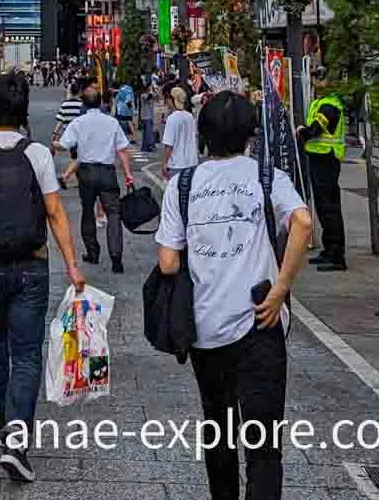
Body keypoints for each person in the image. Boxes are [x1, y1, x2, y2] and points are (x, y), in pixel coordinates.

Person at [156, 92, 313, 500]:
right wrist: (280, 288)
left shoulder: (182, 185)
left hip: (205, 327)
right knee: (264, 445)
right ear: (249, 134)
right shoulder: (267, 177)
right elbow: (302, 222)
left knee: (218, 431)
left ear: (202, 133)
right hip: (261, 322)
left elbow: (169, 263)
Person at [0, 72, 84, 483]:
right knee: (26, 354)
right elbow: (56, 213)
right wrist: (73, 265)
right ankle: (17, 441)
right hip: (33, 265)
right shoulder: (38, 153)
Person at [60, 83, 135, 273]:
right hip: (107, 173)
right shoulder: (112, 122)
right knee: (113, 214)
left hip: (86, 172)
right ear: (100, 102)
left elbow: (65, 144)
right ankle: (116, 258)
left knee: (87, 211)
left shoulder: (78, 123)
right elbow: (122, 150)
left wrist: (54, 143)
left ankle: (92, 252)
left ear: (83, 104)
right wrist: (128, 174)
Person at [296, 69, 347, 272]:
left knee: (329, 208)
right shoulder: (321, 102)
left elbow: (315, 129)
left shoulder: (330, 105)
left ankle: (336, 256)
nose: (316, 81)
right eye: (316, 77)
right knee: (323, 207)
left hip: (327, 159)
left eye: (321, 77)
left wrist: (302, 132)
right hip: (319, 158)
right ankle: (329, 249)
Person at [161, 86, 198, 178]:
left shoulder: (172, 118)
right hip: (191, 162)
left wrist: (164, 163)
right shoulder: (190, 116)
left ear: (172, 100)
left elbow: (169, 145)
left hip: (176, 164)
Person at [139, 76, 158, 153]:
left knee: (147, 132)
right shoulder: (143, 95)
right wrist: (152, 90)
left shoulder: (150, 94)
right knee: (148, 132)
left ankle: (144, 147)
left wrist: (155, 90)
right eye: (149, 88)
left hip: (150, 116)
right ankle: (149, 146)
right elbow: (148, 98)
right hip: (146, 116)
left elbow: (157, 97)